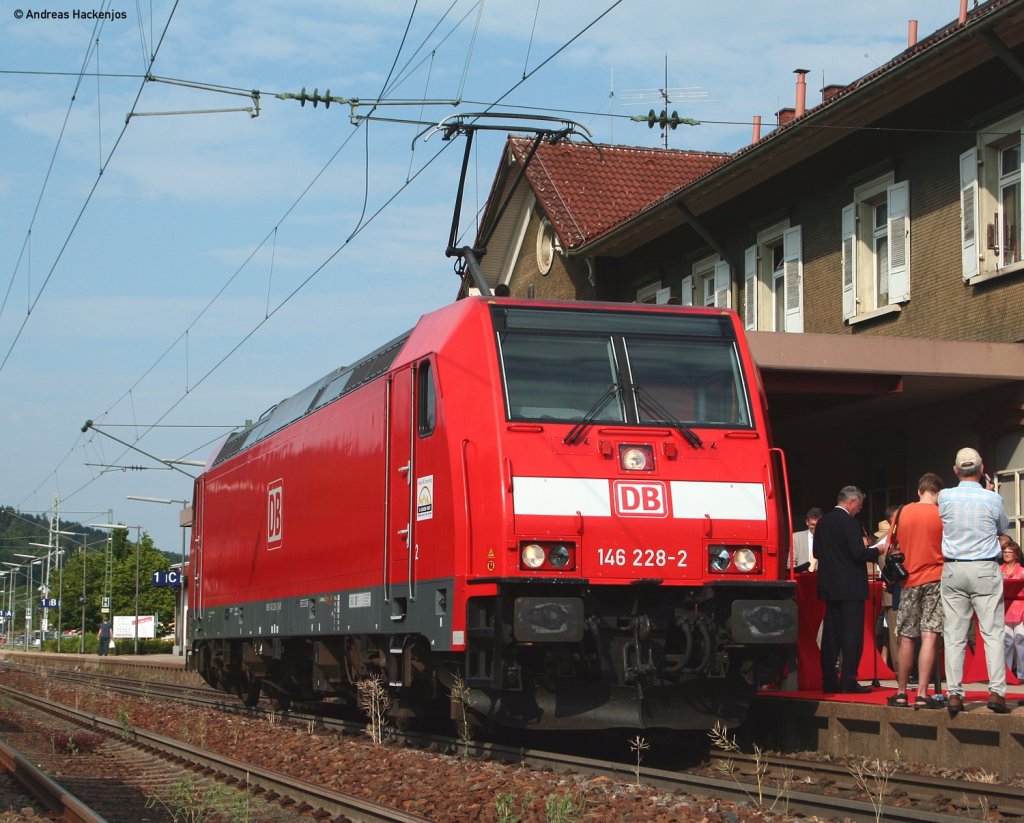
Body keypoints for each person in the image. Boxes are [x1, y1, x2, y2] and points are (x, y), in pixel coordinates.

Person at [939, 447, 1010, 715]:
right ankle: (996, 692)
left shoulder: (945, 497)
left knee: (954, 635)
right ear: (982, 471)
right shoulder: (992, 499)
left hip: (954, 568)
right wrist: (990, 490)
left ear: (956, 470)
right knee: (992, 632)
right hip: (984, 567)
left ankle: (955, 694)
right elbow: (1002, 528)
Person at [816, 485, 886, 693]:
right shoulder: (849, 523)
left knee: (831, 635)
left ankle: (829, 680)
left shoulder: (823, 523)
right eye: (859, 506)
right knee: (852, 635)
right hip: (851, 586)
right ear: (851, 502)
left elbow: (817, 552)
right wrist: (876, 550)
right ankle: (848, 679)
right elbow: (857, 553)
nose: (859, 510)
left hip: (830, 585)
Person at [885, 473, 945, 709]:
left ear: (919, 491)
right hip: (936, 577)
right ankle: (922, 692)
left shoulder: (901, 512)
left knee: (907, 638)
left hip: (909, 580)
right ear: (937, 492)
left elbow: (892, 545)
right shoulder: (942, 513)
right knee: (930, 635)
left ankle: (901, 693)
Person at [1000, 534, 1024, 680]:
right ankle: (1007, 674)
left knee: (1020, 641)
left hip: (1020, 609)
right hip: (1004, 609)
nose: (1006, 555)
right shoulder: (998, 569)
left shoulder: (1021, 571)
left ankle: (1021, 674)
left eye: (1009, 552)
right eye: (1004, 552)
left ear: (1016, 554)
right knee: (1007, 642)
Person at [792, 507, 824, 572]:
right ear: (807, 522)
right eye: (813, 524)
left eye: (818, 525)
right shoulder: (796, 537)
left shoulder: (829, 538)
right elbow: (791, 563)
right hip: (802, 578)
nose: (816, 528)